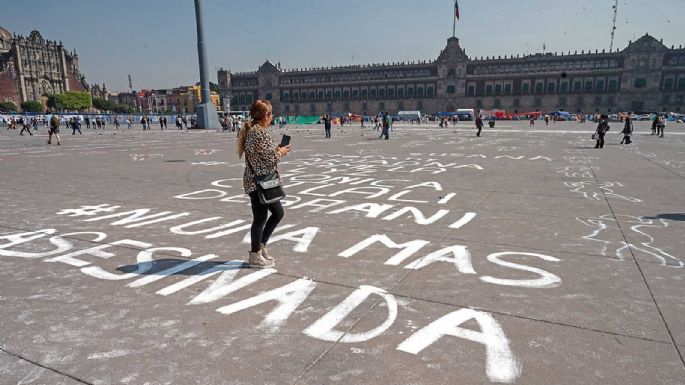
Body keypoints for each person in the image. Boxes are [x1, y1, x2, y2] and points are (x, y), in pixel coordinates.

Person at [238, 99, 291, 268]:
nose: (272, 116)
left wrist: (276, 150)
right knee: (262, 218)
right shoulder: (258, 132)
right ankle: (255, 254)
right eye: (271, 113)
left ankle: (260, 246)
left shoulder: (254, 131)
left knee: (274, 214)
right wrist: (280, 152)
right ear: (265, 116)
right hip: (258, 182)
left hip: (258, 181)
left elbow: (264, 154)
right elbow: (269, 159)